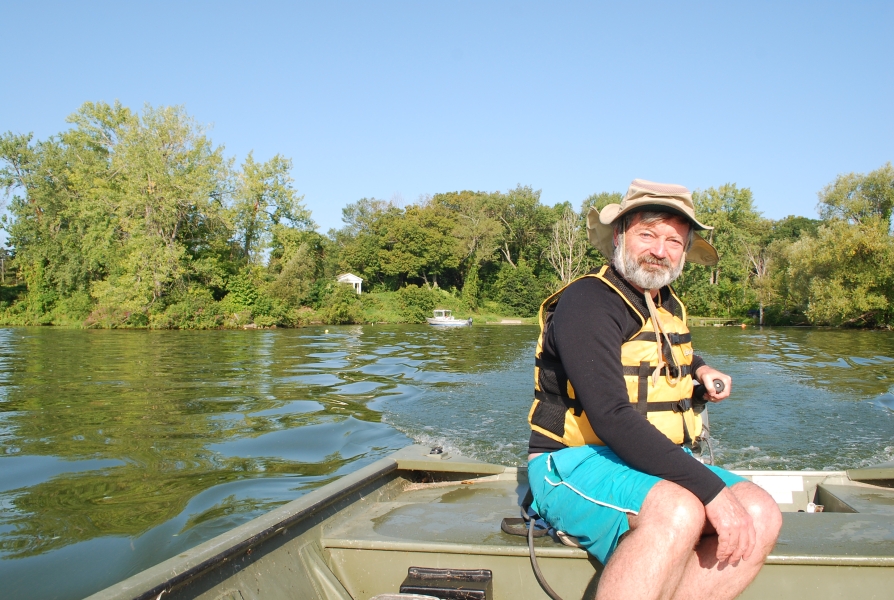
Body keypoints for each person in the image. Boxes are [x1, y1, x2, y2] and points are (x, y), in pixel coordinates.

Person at [526, 179, 782, 600]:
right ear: (619, 236)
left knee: (760, 512)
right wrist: (711, 492)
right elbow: (610, 415)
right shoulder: (589, 301)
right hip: (568, 462)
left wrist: (698, 371)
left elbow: (656, 356)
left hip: (647, 460)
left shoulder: (664, 303)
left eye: (674, 241)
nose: (659, 250)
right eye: (648, 234)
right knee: (678, 509)